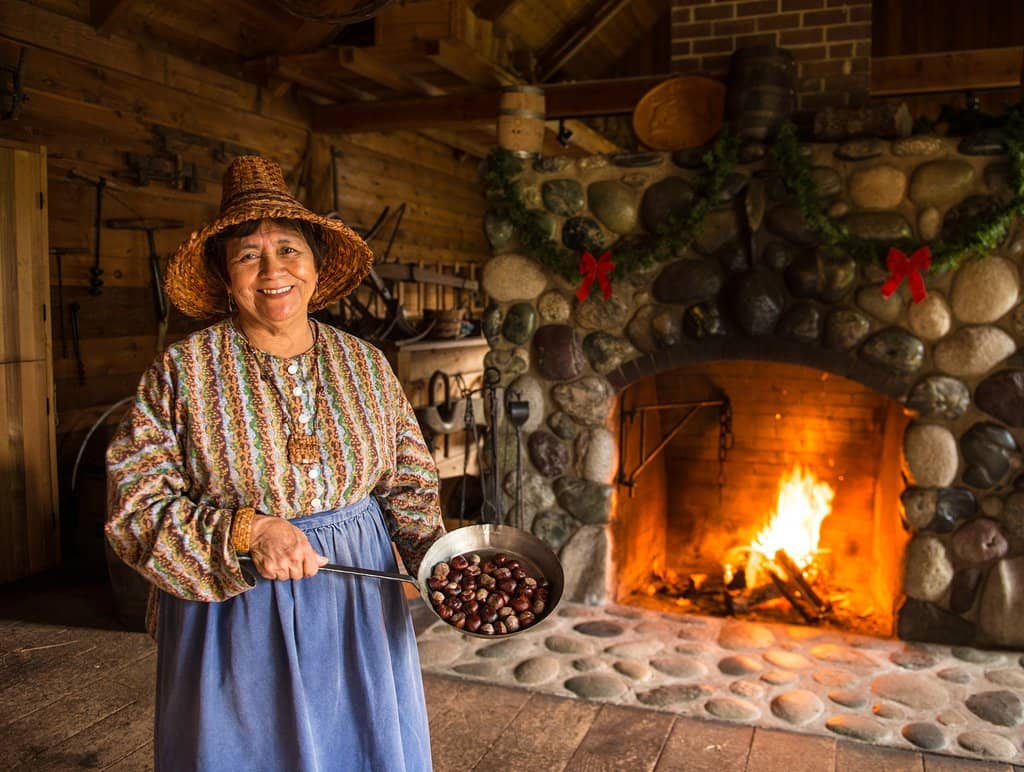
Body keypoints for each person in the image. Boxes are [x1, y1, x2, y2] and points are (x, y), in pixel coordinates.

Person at [105, 156, 444, 771]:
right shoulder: (182, 372)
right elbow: (135, 510)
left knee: (359, 747)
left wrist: (439, 564)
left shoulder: (365, 363)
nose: (272, 271)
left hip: (356, 597)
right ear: (224, 274)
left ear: (315, 263)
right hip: (237, 610)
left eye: (289, 249)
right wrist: (248, 531)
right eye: (247, 255)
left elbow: (409, 481)